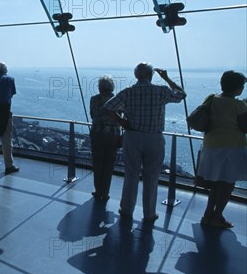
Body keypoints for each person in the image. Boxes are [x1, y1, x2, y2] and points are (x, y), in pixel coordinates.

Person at [104, 62, 186, 222]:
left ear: (136, 75)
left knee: (131, 175)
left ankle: (127, 209)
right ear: (151, 75)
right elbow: (181, 95)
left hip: (133, 136)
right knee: (151, 177)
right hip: (154, 138)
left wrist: (122, 122)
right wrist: (167, 78)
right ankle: (149, 213)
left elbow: (108, 108)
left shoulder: (128, 92)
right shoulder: (161, 91)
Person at [196, 71, 247, 229]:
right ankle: (217, 216)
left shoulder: (211, 98)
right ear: (237, 87)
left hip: (211, 147)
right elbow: (245, 127)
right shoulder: (238, 105)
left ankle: (207, 215)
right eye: (242, 86)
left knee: (216, 184)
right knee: (227, 184)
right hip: (230, 149)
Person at [89, 75, 121, 201]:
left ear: (100, 87)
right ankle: (105, 192)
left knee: (98, 163)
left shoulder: (94, 99)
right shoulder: (117, 99)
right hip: (113, 135)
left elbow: (92, 116)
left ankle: (98, 190)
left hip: (97, 134)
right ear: (111, 87)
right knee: (109, 164)